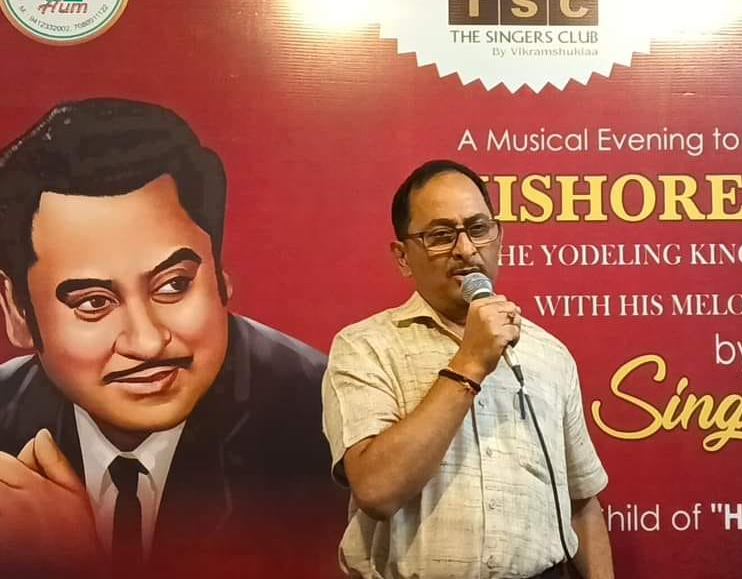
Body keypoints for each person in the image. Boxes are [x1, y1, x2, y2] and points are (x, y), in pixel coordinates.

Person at [0, 98, 340, 578]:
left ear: (220, 276)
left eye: (174, 285)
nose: (147, 341)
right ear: (17, 311)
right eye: (93, 303)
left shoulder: (327, 424)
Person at [322, 160, 614, 578]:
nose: (466, 249)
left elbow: (582, 504)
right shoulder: (365, 346)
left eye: (478, 229)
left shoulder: (548, 354)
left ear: (499, 238)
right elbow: (376, 490)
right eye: (441, 236)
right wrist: (470, 362)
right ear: (403, 257)